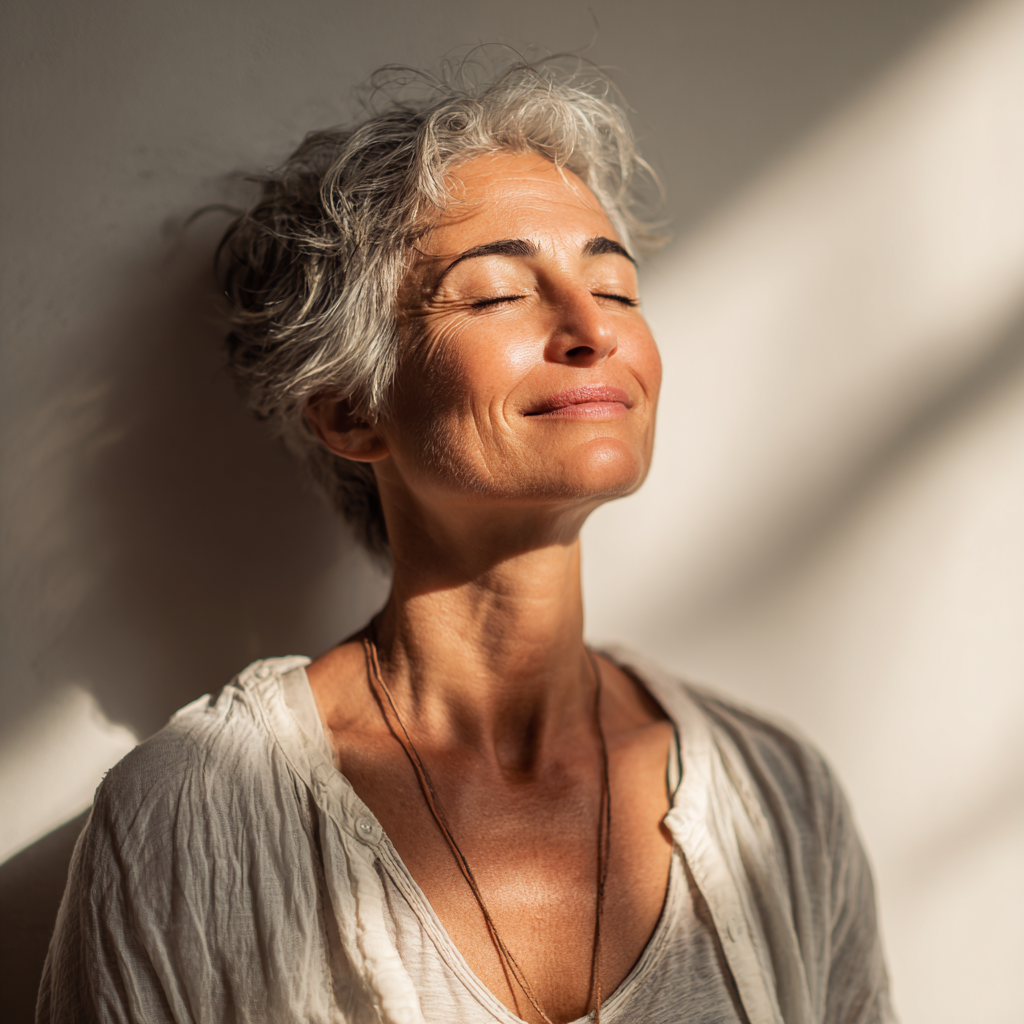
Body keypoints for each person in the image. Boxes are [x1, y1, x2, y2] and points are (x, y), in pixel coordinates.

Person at [38, 60, 896, 1024]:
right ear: (351, 409)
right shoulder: (186, 822)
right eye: (494, 295)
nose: (589, 330)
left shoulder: (779, 799)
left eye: (615, 289)